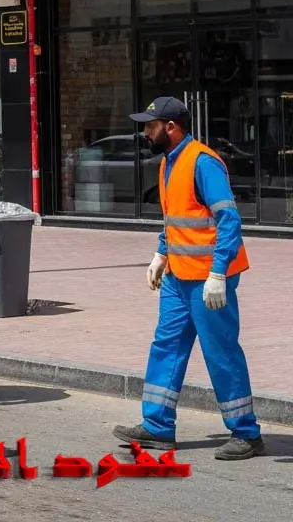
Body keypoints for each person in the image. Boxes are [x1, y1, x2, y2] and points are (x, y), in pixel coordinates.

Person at [113, 96, 265, 461]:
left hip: (209, 279)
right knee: (166, 345)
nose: (145, 132)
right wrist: (161, 253)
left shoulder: (202, 161)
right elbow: (176, 218)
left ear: (171, 127)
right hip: (179, 277)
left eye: (150, 125)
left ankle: (246, 432)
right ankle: (157, 426)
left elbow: (229, 220)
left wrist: (217, 273)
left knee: (220, 352)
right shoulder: (169, 161)